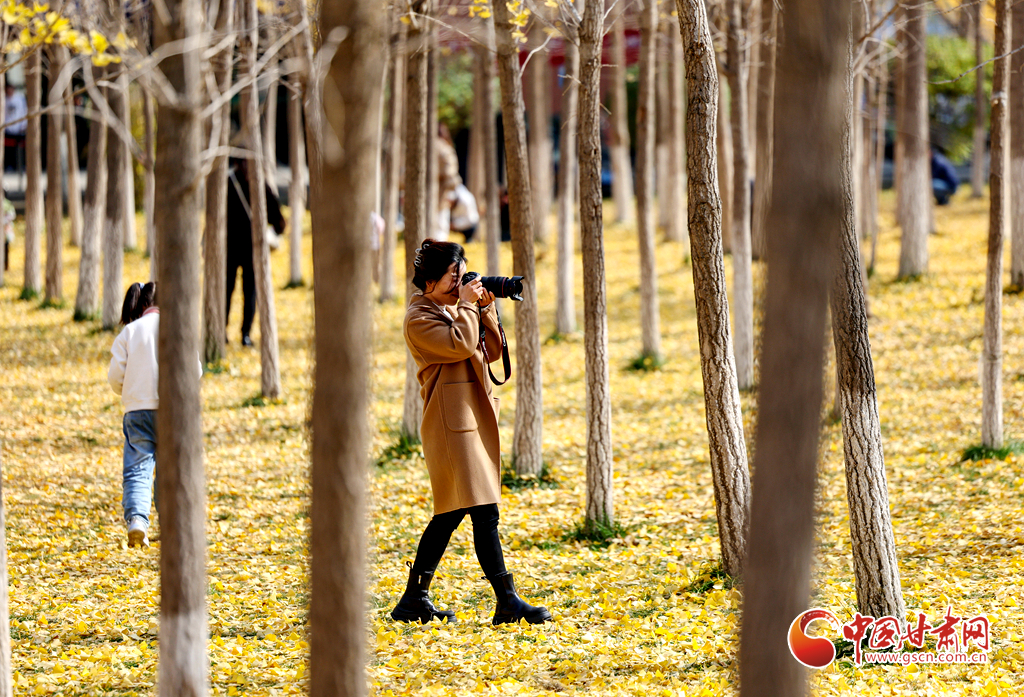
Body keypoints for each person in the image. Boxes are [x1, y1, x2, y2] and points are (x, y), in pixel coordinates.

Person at [393, 239, 552, 626]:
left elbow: (491, 352)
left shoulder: (453, 309)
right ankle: (507, 601)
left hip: (468, 419)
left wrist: (485, 307)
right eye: (454, 276)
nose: (460, 282)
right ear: (429, 281)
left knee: (450, 514)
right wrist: (467, 305)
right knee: (484, 511)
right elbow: (461, 345)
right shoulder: (418, 319)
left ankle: (414, 599)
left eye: (462, 275)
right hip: (450, 425)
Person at [106, 283, 161, 548]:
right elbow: (194, 371)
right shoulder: (177, 327)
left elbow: (115, 375)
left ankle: (138, 521)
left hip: (138, 410)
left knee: (138, 469)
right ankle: (171, 523)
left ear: (142, 304)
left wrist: (128, 391)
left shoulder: (130, 331)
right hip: (172, 411)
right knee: (171, 470)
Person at [226, 158, 286, 346]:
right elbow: (279, 221)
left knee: (234, 291)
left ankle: (232, 332)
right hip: (247, 249)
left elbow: (278, 218)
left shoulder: (229, 182)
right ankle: (244, 334)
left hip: (234, 248)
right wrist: (274, 231)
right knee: (246, 292)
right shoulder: (258, 184)